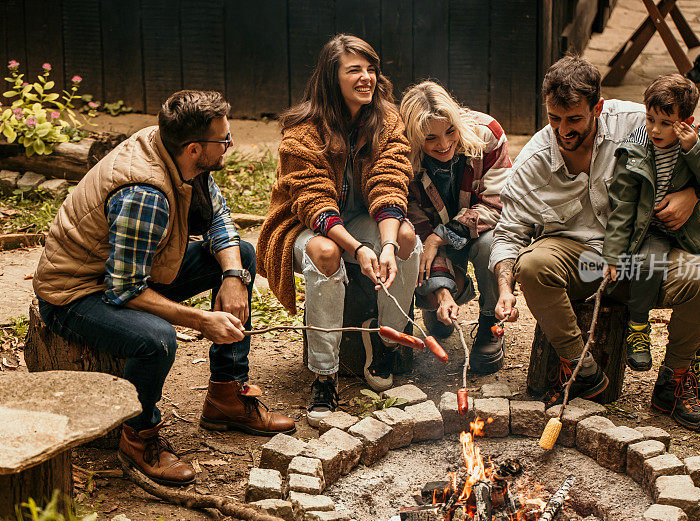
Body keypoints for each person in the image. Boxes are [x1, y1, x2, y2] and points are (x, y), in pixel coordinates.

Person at [32, 90, 296, 487]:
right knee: (157, 339)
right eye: (224, 141)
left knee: (240, 253)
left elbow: (219, 218)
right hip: (78, 292)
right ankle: (139, 437)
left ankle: (226, 396)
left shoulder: (178, 153)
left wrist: (233, 278)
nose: (230, 146)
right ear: (195, 148)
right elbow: (124, 290)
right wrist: (202, 320)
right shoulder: (146, 193)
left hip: (126, 270)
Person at [490, 55, 700, 433]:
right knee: (532, 265)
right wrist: (504, 288)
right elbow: (509, 231)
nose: (562, 130)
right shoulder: (534, 159)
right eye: (554, 118)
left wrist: (694, 192)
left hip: (640, 253)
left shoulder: (636, 121)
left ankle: (674, 383)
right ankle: (580, 368)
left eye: (574, 119)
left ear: (597, 107)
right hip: (579, 260)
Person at [256, 35, 420, 428]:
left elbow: (389, 181)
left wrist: (385, 244)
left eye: (371, 69)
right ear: (333, 77)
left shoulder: (387, 119)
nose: (366, 78)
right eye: (354, 71)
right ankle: (324, 375)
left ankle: (386, 342)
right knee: (328, 253)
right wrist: (360, 249)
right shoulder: (302, 131)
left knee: (407, 239)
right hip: (302, 226)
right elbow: (315, 206)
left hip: (361, 217)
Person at [603, 74, 700, 408]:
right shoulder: (636, 147)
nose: (656, 130)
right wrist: (613, 256)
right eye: (651, 119)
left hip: (685, 234)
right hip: (649, 229)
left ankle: (698, 360)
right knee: (646, 263)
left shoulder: (698, 142)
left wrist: (693, 149)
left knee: (698, 290)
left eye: (666, 123)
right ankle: (638, 330)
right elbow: (622, 206)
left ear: (686, 122)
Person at [399, 81, 512, 373]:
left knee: (490, 244)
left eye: (451, 131)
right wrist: (442, 291)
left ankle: (490, 322)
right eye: (431, 138)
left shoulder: (488, 134)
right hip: (430, 242)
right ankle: (440, 299)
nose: (444, 144)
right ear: (414, 138)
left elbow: (497, 205)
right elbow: (418, 230)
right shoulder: (402, 158)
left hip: (478, 232)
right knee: (434, 295)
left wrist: (442, 235)